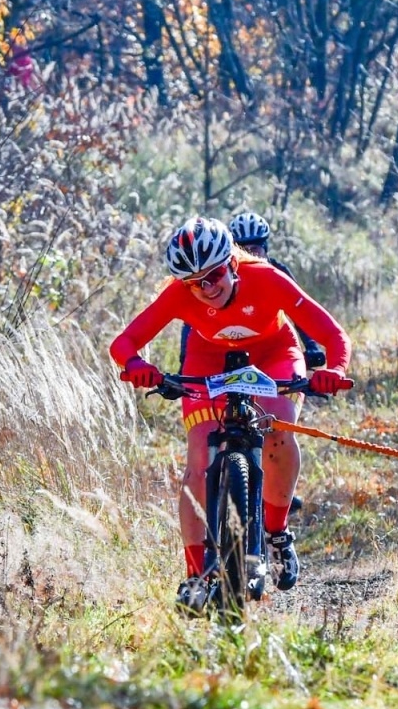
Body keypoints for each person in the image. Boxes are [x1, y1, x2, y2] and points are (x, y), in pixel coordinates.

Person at [110, 217, 352, 602]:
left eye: (214, 275)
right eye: (195, 282)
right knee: (198, 460)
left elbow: (333, 334)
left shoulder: (268, 279)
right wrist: (137, 365)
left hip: (274, 353)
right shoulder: (179, 294)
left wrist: (334, 370)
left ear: (232, 263)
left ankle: (277, 533)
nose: (207, 288)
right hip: (207, 358)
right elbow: (124, 342)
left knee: (277, 432)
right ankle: (194, 578)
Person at [178, 211, 326, 374]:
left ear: (265, 249)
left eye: (255, 249)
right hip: (224, 347)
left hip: (270, 347)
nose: (249, 255)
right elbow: (192, 319)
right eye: (243, 249)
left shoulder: (277, 272)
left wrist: (311, 346)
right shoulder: (220, 277)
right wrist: (185, 357)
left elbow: (299, 313)